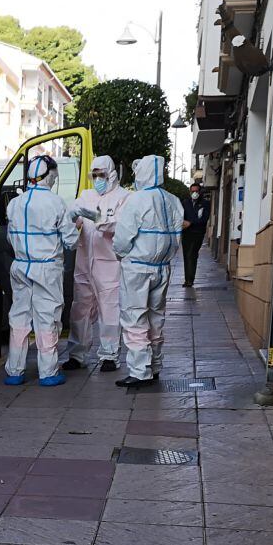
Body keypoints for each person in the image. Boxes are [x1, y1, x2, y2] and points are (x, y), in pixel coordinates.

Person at [4, 155, 80, 387]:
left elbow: (10, 237)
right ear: (49, 175)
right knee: (47, 318)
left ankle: (15, 371)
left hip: (19, 266)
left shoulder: (15, 203)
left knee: (19, 318)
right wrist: (76, 227)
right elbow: (71, 241)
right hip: (46, 268)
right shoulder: (56, 203)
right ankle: (48, 372)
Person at [112, 154, 186, 388]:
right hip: (162, 269)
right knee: (156, 317)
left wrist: (121, 254)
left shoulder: (136, 200)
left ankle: (138, 371)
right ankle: (154, 366)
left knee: (134, 317)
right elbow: (176, 238)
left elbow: (123, 238)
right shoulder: (173, 200)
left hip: (137, 268)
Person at [63, 155, 128, 373]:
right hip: (84, 262)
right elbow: (72, 220)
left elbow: (121, 226)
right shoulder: (86, 196)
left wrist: (99, 219)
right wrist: (72, 217)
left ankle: (109, 355)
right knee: (80, 309)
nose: (98, 179)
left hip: (109, 264)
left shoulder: (123, 197)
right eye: (95, 175)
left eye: (102, 175)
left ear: (111, 174)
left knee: (109, 311)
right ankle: (76, 354)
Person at [181, 182, 210, 287]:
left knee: (192, 255)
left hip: (197, 233)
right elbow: (181, 216)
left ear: (200, 192)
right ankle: (187, 279)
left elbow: (204, 219)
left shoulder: (205, 203)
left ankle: (190, 280)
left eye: (196, 191)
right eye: (192, 191)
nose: (194, 193)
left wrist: (191, 222)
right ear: (190, 192)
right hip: (186, 233)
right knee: (186, 255)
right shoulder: (185, 203)